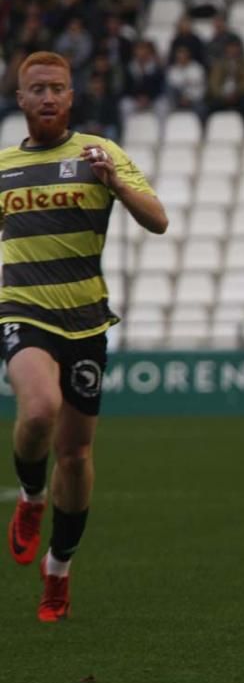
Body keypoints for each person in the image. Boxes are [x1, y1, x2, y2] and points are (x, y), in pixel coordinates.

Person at [3, 52, 168, 622]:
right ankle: (29, 497)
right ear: (20, 99)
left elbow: (159, 219)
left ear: (71, 96)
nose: (47, 97)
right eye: (37, 89)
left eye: (57, 88)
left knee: (74, 454)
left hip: (86, 322)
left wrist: (115, 182)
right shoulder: (3, 166)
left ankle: (59, 570)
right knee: (40, 409)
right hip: (22, 308)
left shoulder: (100, 152)